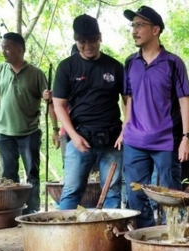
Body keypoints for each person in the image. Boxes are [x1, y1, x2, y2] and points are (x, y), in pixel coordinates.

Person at [121, 5, 189, 228]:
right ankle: (146, 238)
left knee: (170, 195)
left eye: (139, 25)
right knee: (135, 195)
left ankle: (171, 238)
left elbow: (184, 102)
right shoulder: (130, 62)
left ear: (155, 30)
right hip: (135, 141)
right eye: (133, 25)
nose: (134, 30)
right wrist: (125, 129)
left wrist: (186, 137)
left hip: (166, 141)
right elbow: (128, 99)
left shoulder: (173, 63)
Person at [51, 14, 125, 209]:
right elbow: (58, 105)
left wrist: (125, 130)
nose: (87, 46)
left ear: (100, 37)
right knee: (71, 190)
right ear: (76, 41)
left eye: (92, 40)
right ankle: (62, 237)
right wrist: (73, 136)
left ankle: (109, 237)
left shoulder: (115, 67)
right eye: (82, 42)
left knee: (113, 191)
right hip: (79, 139)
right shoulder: (67, 67)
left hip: (112, 140)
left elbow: (128, 101)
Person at [0, 32, 51, 215]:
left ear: (19, 49)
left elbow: (49, 101)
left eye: (7, 47)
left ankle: (32, 209)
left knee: (32, 173)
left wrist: (56, 128)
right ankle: (13, 210)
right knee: (8, 174)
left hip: (29, 132)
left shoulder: (36, 74)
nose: (3, 51)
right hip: (4, 132)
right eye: (2, 47)